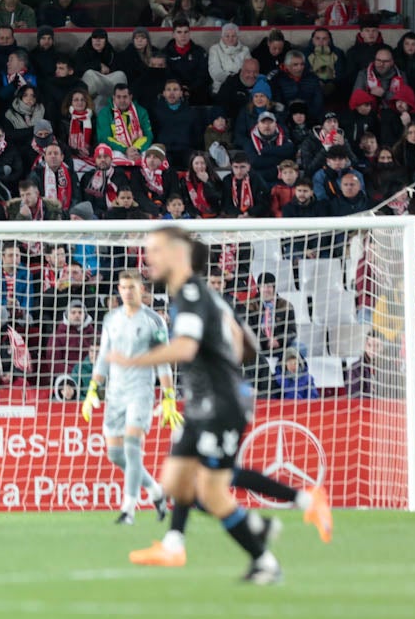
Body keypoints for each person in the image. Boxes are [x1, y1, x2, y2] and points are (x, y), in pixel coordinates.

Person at [115, 227, 328, 582]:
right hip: (203, 401)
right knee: (176, 482)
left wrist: (132, 360)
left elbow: (185, 348)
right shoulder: (203, 297)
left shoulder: (193, 294)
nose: (148, 260)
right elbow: (247, 346)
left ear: (178, 255)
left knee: (211, 489)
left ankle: (271, 543)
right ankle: (184, 540)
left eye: (154, 251)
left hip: (220, 403)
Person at [81, 273, 180, 524]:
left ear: (142, 289)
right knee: (115, 454)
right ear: (118, 288)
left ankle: (129, 508)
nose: (127, 292)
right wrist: (93, 388)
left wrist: (168, 396)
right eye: (123, 287)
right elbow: (104, 356)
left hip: (140, 390)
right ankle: (156, 491)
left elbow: (163, 360)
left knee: (132, 446)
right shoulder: (111, 318)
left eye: (132, 288)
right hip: (115, 393)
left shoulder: (153, 320)